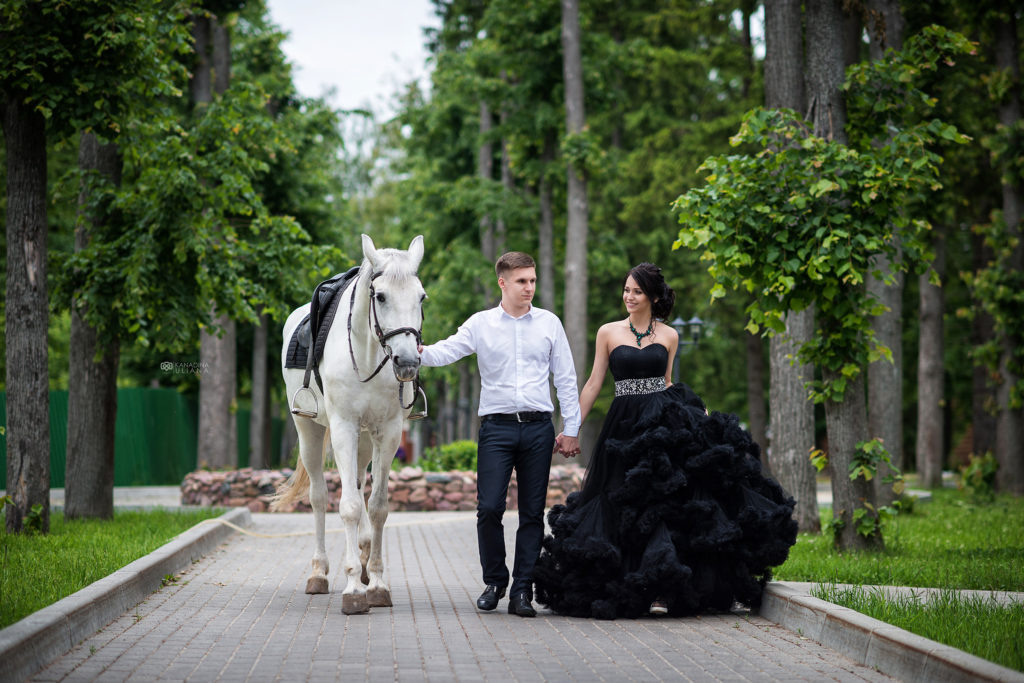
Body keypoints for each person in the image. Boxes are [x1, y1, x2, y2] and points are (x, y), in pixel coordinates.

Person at [534, 262, 798, 620]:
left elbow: (668, 380)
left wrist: (696, 412)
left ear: (653, 297)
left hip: (662, 421)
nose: (629, 296)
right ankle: (631, 583)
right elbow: (595, 383)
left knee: (663, 502)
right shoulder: (608, 332)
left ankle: (662, 586)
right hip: (624, 425)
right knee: (621, 500)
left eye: (637, 291)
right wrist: (571, 428)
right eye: (626, 290)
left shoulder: (670, 336)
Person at [418, 252, 582, 618]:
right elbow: (448, 350)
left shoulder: (549, 324)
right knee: (489, 508)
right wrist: (418, 354)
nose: (529, 287)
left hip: (539, 427)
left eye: (533, 280)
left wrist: (571, 428)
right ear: (502, 282)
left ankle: (522, 591)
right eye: (522, 281)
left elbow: (566, 379)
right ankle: (495, 582)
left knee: (531, 513)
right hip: (497, 428)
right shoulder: (481, 324)